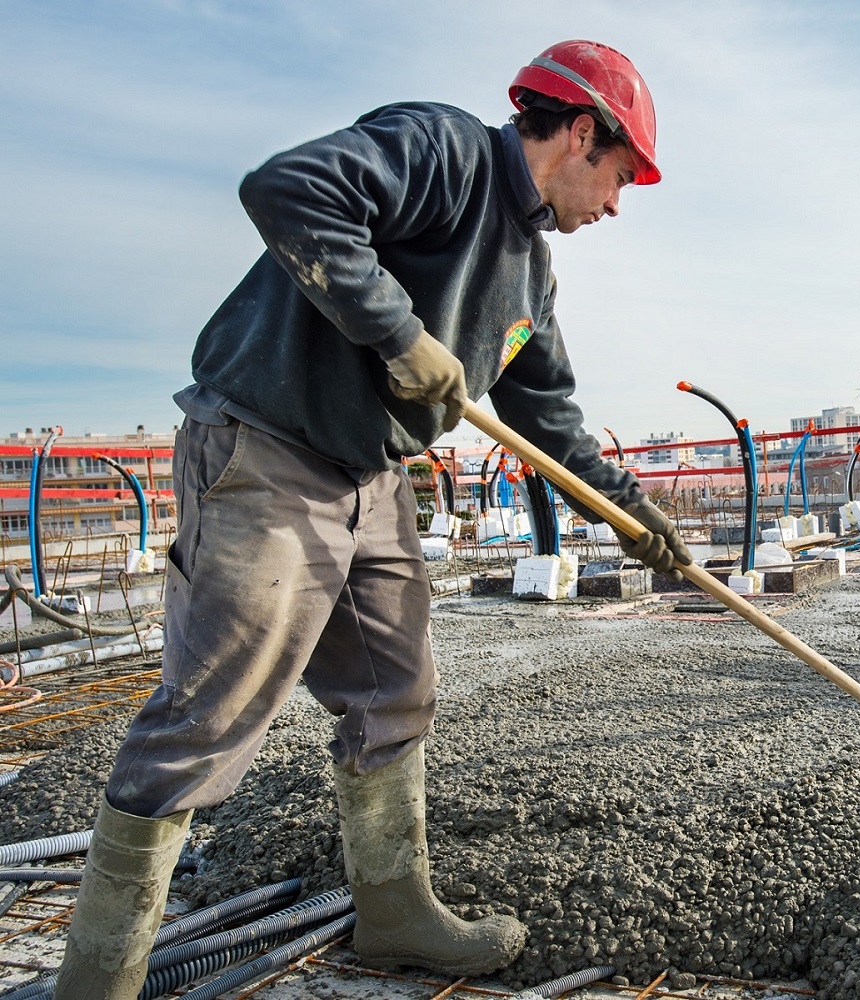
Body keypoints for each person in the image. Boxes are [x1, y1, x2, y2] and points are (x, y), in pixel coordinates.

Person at [55, 39, 691, 998]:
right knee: (208, 716)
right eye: (619, 177)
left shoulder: (530, 273)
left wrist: (637, 518)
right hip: (269, 449)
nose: (614, 203)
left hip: (373, 478)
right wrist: (397, 332)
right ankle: (96, 980)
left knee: (395, 691)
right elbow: (286, 189)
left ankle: (395, 913)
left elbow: (549, 418)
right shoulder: (442, 151)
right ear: (581, 132)